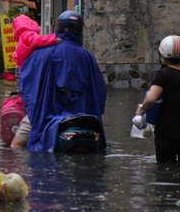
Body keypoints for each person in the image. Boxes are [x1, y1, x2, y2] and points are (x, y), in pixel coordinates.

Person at [10, 11, 107, 151]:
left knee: (16, 145)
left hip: (46, 116)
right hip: (84, 118)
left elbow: (28, 82)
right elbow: (100, 90)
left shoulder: (41, 52)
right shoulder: (87, 56)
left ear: (58, 27)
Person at [135, 35, 180, 163]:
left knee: (165, 171)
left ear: (163, 56)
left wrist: (141, 110)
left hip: (167, 133)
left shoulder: (163, 74)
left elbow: (150, 99)